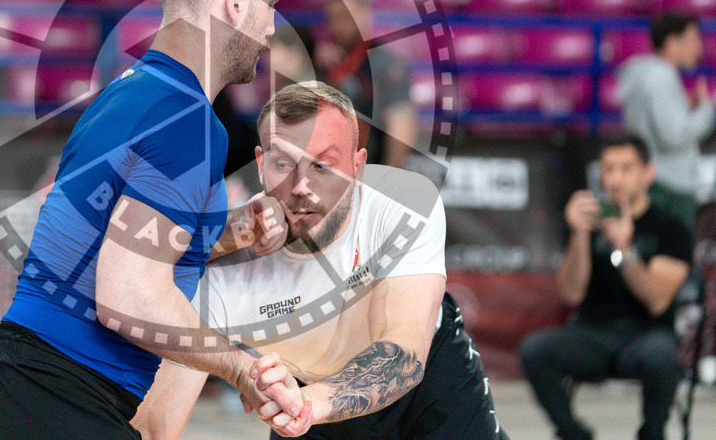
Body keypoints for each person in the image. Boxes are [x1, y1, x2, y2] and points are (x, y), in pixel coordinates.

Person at [0, 0, 310, 438]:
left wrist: (230, 233)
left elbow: (115, 242)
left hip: (12, 391)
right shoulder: (189, 122)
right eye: (269, 3)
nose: (272, 27)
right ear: (236, 2)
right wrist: (239, 368)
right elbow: (126, 296)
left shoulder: (125, 94)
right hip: (57, 403)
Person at [133, 81, 506, 439]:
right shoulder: (224, 267)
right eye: (283, 164)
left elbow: (402, 353)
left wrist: (307, 403)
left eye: (323, 166)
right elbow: (153, 428)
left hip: (428, 388)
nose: (301, 187)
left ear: (357, 167)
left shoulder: (401, 203)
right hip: (307, 395)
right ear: (260, 165)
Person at [520, 135, 693, 440]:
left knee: (662, 357)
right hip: (592, 332)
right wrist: (580, 234)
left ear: (647, 173)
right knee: (535, 350)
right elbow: (571, 293)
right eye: (609, 168)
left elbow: (656, 301)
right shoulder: (588, 222)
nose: (616, 177)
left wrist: (624, 250)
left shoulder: (671, 228)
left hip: (647, 333)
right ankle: (574, 433)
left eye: (627, 168)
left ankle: (652, 434)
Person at [618, 13, 713, 225]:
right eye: (693, 39)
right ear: (671, 42)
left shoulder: (650, 75)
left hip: (658, 181)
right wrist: (706, 111)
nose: (698, 48)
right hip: (668, 187)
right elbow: (673, 136)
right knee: (671, 255)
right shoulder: (660, 78)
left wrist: (687, 108)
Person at [319, 0, 416, 169]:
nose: (340, 25)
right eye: (333, 18)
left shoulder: (386, 64)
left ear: (365, 14)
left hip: (372, 170)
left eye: (347, 16)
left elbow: (401, 128)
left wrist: (389, 178)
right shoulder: (323, 63)